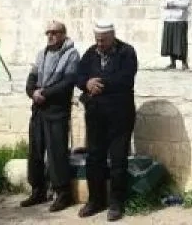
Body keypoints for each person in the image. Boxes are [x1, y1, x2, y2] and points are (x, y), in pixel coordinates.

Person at [75, 21, 138, 222]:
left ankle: (117, 202)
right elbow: (78, 75)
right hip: (95, 115)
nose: (99, 44)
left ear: (112, 37)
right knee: (94, 158)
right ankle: (95, 200)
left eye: (103, 40)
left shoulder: (126, 52)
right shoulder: (90, 53)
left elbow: (125, 79)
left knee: (118, 159)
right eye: (97, 40)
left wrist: (97, 83)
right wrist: (86, 83)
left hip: (120, 115)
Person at [21, 20, 79, 211]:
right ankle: (38, 190)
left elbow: (68, 81)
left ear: (63, 34)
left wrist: (44, 93)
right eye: (48, 33)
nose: (51, 36)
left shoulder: (71, 54)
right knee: (35, 152)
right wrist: (32, 92)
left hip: (57, 110)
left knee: (56, 153)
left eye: (55, 32)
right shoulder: (42, 54)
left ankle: (63, 193)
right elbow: (32, 77)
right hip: (38, 109)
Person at [159, 0, 190, 70]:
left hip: (180, 20)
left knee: (181, 43)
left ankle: (184, 62)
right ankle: (172, 63)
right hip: (169, 20)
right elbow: (163, 3)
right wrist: (169, 5)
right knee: (170, 42)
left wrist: (174, 4)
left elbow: (186, 3)